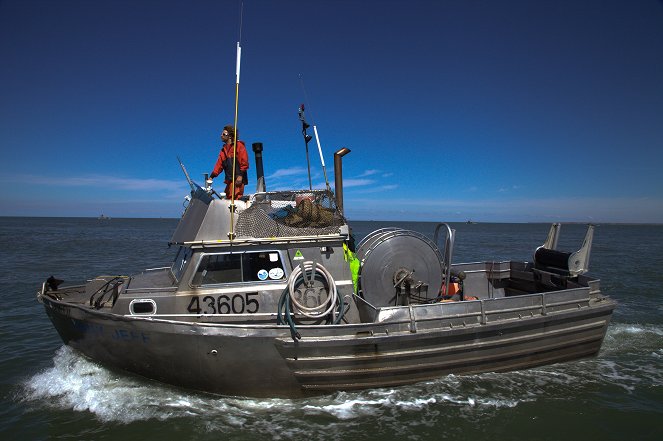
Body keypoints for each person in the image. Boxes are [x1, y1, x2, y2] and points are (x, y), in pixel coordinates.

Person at [210, 125, 249, 199]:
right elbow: (219, 165)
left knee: (235, 197)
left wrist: (240, 176)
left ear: (230, 136)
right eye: (222, 134)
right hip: (229, 180)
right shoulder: (223, 150)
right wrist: (212, 176)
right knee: (227, 197)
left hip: (238, 179)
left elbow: (244, 162)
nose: (221, 135)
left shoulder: (239, 146)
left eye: (224, 134)